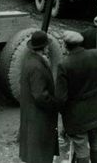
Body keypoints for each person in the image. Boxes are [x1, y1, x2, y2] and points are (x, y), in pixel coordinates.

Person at [55, 31, 97, 163]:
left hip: (77, 117)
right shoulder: (96, 55)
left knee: (81, 150)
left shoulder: (64, 65)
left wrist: (65, 113)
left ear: (65, 45)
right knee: (96, 145)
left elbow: (60, 98)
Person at [19, 30, 60, 163]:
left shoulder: (30, 60)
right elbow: (40, 95)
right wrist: (55, 104)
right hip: (39, 117)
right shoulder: (37, 66)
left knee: (34, 152)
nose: (48, 48)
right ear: (43, 47)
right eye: (47, 45)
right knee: (39, 155)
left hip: (31, 115)